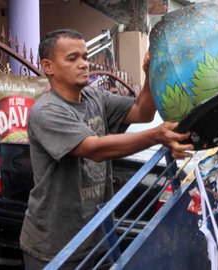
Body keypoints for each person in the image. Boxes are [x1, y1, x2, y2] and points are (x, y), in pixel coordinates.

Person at [19, 29, 193, 268]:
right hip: (55, 248)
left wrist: (151, 73)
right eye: (72, 58)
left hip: (98, 238)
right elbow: (94, 149)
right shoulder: (46, 111)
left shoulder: (94, 98)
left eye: (85, 56)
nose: (83, 64)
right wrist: (156, 135)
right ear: (48, 67)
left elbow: (142, 111)